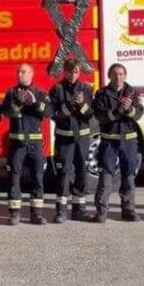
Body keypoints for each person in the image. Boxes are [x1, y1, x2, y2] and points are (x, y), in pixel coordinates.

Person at [90, 63, 144, 223]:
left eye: (121, 74)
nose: (118, 77)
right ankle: (101, 212)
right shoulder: (102, 94)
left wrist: (129, 110)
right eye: (114, 74)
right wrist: (117, 111)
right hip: (109, 141)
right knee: (106, 175)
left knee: (128, 175)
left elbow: (139, 112)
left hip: (128, 141)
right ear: (109, 76)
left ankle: (129, 211)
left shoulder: (132, 93)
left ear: (125, 76)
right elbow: (100, 115)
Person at [2, 63, 51, 226]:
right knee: (14, 179)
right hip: (17, 144)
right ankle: (15, 213)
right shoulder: (11, 93)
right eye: (18, 72)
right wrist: (18, 103)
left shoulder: (40, 93)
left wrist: (35, 102)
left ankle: (36, 214)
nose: (20, 74)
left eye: (23, 72)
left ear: (31, 74)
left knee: (37, 178)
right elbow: (7, 112)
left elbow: (48, 112)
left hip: (35, 144)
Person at [49, 59, 94, 223]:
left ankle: (79, 210)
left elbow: (90, 115)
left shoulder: (86, 89)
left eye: (76, 72)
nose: (73, 75)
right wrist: (69, 105)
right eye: (70, 72)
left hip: (81, 139)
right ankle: (61, 211)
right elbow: (53, 114)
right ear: (65, 72)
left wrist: (82, 104)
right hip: (64, 140)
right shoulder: (57, 89)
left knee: (82, 172)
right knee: (63, 173)